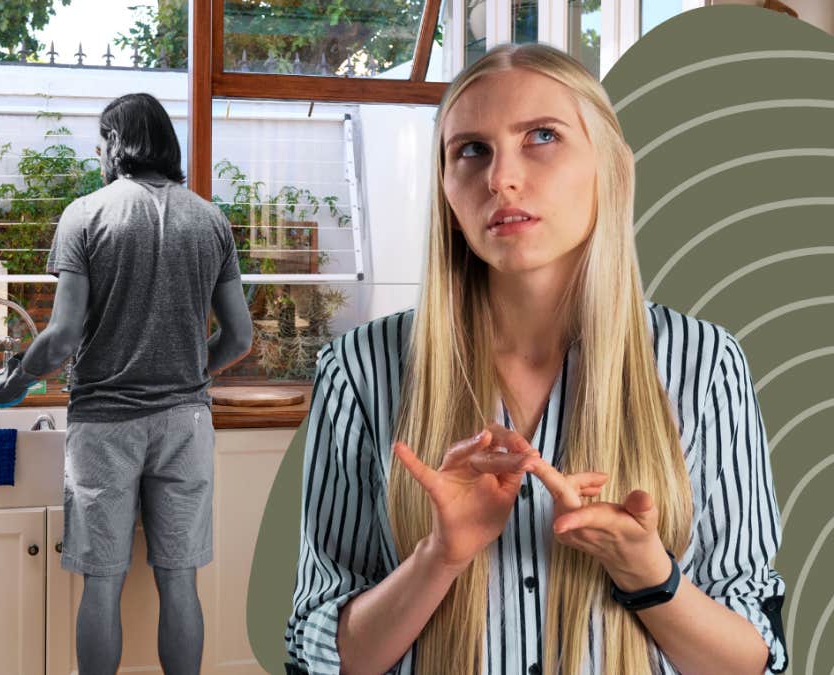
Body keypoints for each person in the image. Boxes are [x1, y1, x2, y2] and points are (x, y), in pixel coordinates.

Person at [284, 43, 788, 675]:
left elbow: (755, 659)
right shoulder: (359, 370)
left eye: (542, 136)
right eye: (471, 150)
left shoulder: (706, 364)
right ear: (445, 187)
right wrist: (438, 557)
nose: (500, 178)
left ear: (610, 167)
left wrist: (649, 576)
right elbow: (320, 655)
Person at [0, 92, 254, 675]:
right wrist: (183, 370)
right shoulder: (210, 220)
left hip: (105, 426)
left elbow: (60, 339)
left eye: (102, 143)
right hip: (186, 424)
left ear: (118, 143)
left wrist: (13, 381)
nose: (100, 155)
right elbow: (239, 338)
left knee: (102, 585)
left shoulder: (85, 215)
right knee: (179, 581)